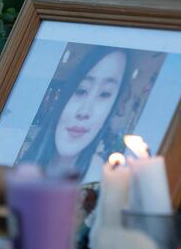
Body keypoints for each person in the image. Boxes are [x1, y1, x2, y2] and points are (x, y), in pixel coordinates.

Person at [16, 46, 132, 179]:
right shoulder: (19, 155)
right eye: (81, 90)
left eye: (105, 94)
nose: (84, 112)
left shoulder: (100, 179)